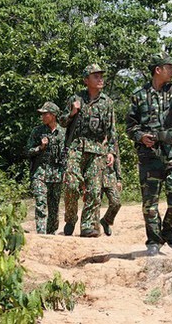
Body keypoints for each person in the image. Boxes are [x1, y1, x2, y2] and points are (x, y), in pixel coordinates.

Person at [126, 53, 172, 256]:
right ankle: (153, 240)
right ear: (158, 70)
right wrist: (141, 137)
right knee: (150, 202)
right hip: (149, 154)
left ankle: (169, 232)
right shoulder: (138, 95)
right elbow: (130, 127)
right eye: (169, 67)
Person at [60, 64, 117, 238]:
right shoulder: (75, 99)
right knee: (71, 185)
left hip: (97, 149)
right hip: (76, 148)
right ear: (86, 80)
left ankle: (89, 225)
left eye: (101, 76)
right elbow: (62, 122)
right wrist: (72, 113)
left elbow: (112, 130)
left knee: (94, 189)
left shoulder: (107, 102)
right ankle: (70, 218)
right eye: (95, 76)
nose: (100, 79)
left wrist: (111, 152)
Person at [26, 102, 66, 234]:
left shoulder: (63, 133)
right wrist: (40, 148)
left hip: (57, 174)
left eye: (45, 113)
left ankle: (51, 234)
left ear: (53, 115)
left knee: (54, 207)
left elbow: (68, 154)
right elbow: (28, 151)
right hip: (40, 173)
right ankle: (41, 233)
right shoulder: (37, 131)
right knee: (40, 203)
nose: (42, 116)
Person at [100, 143, 122, 236]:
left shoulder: (112, 144)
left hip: (110, 177)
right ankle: (92, 228)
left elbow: (117, 161)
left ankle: (106, 221)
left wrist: (119, 179)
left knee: (116, 202)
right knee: (94, 204)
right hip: (96, 177)